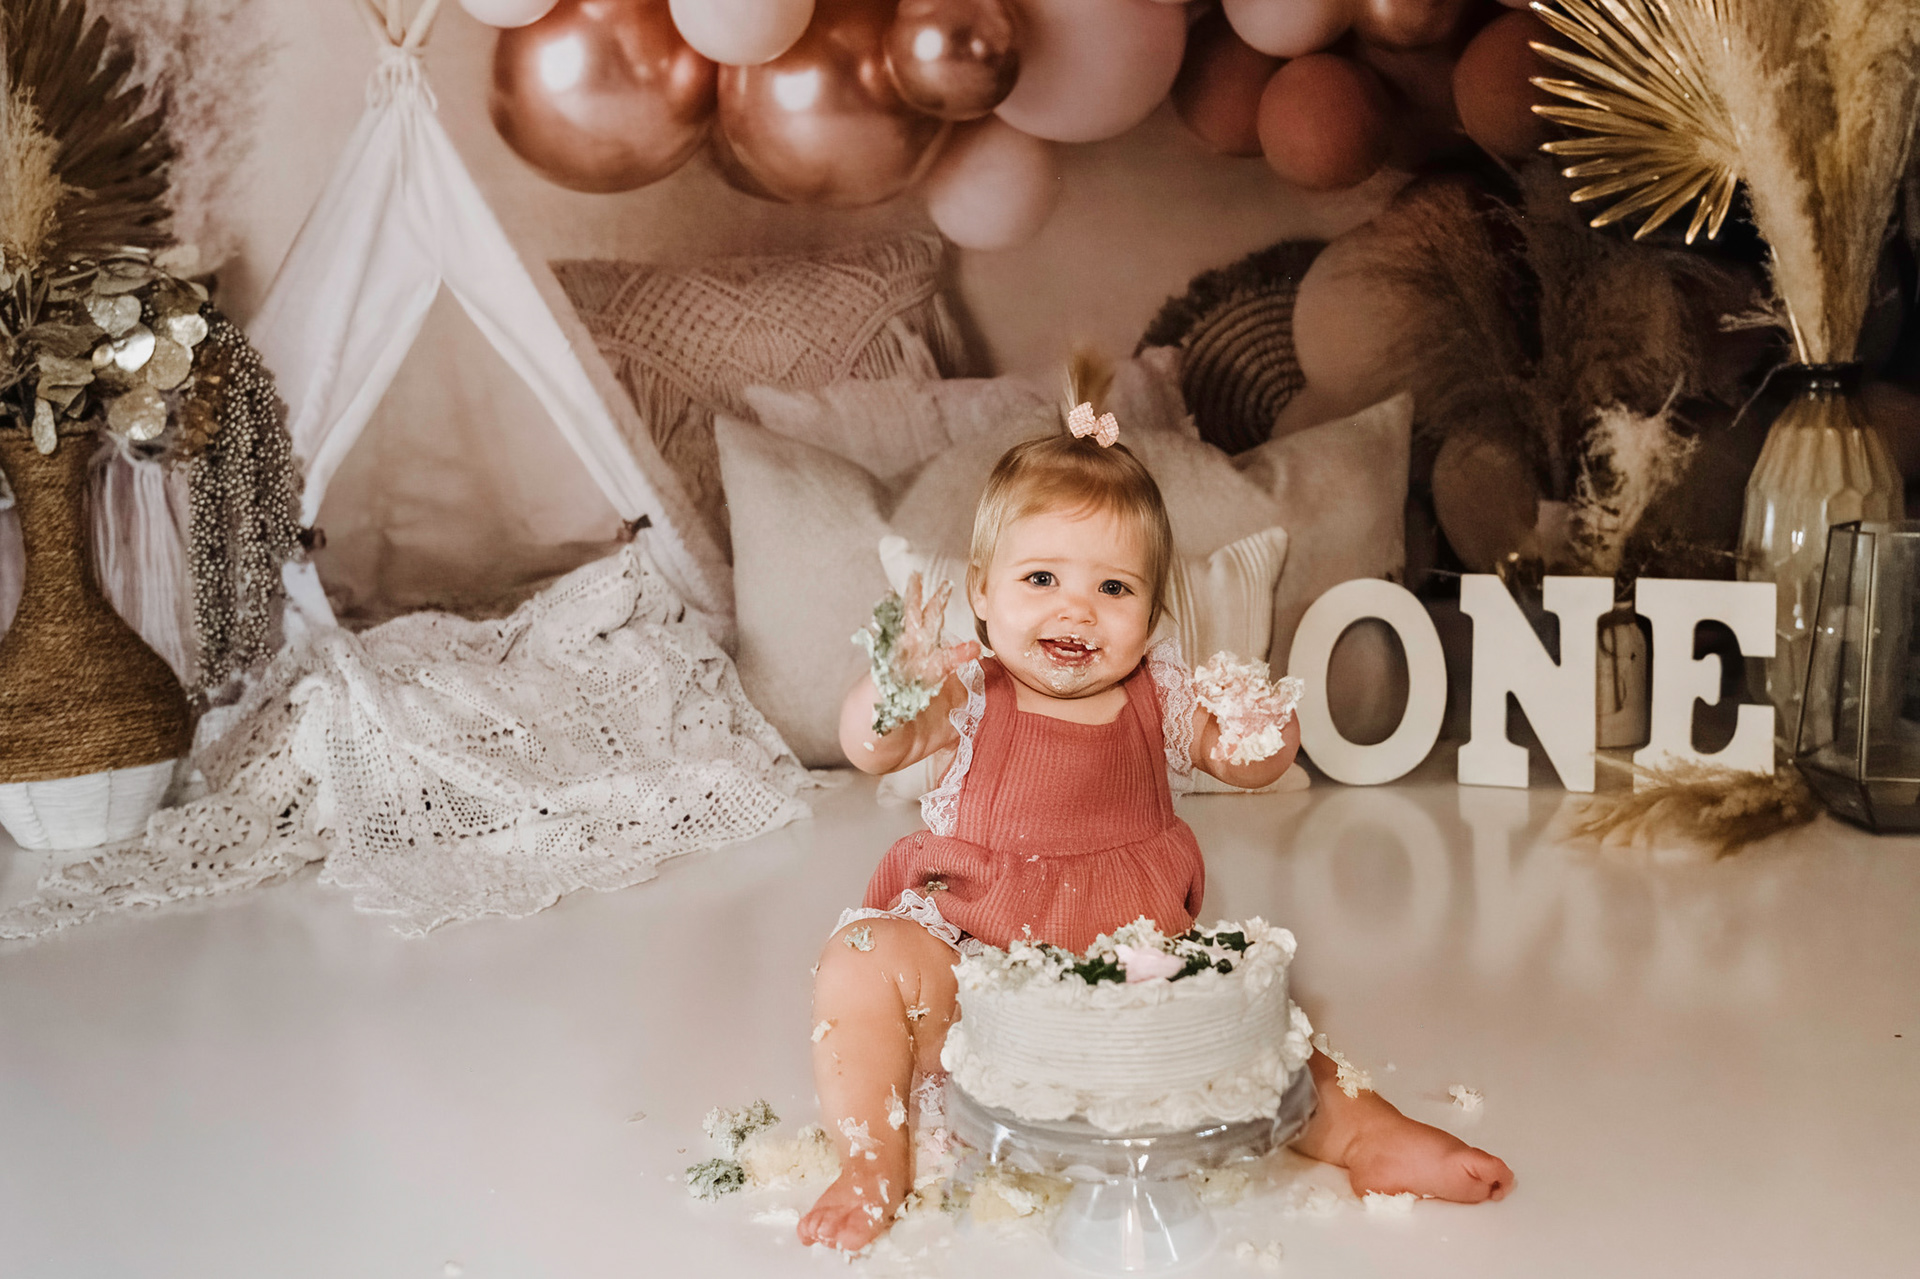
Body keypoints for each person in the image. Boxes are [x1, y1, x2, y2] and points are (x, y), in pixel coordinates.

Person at [798, 365, 1513, 1252]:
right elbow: (875, 744)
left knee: (1259, 1032)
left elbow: (1245, 760)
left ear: (1152, 612)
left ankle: (1369, 1132)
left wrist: (1260, 725)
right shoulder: (969, 692)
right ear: (982, 591)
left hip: (1129, 970)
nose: (1077, 609)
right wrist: (893, 687)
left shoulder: (1158, 694)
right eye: (1041, 577)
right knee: (862, 960)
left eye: (1113, 589)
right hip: (977, 975)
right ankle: (872, 1157)